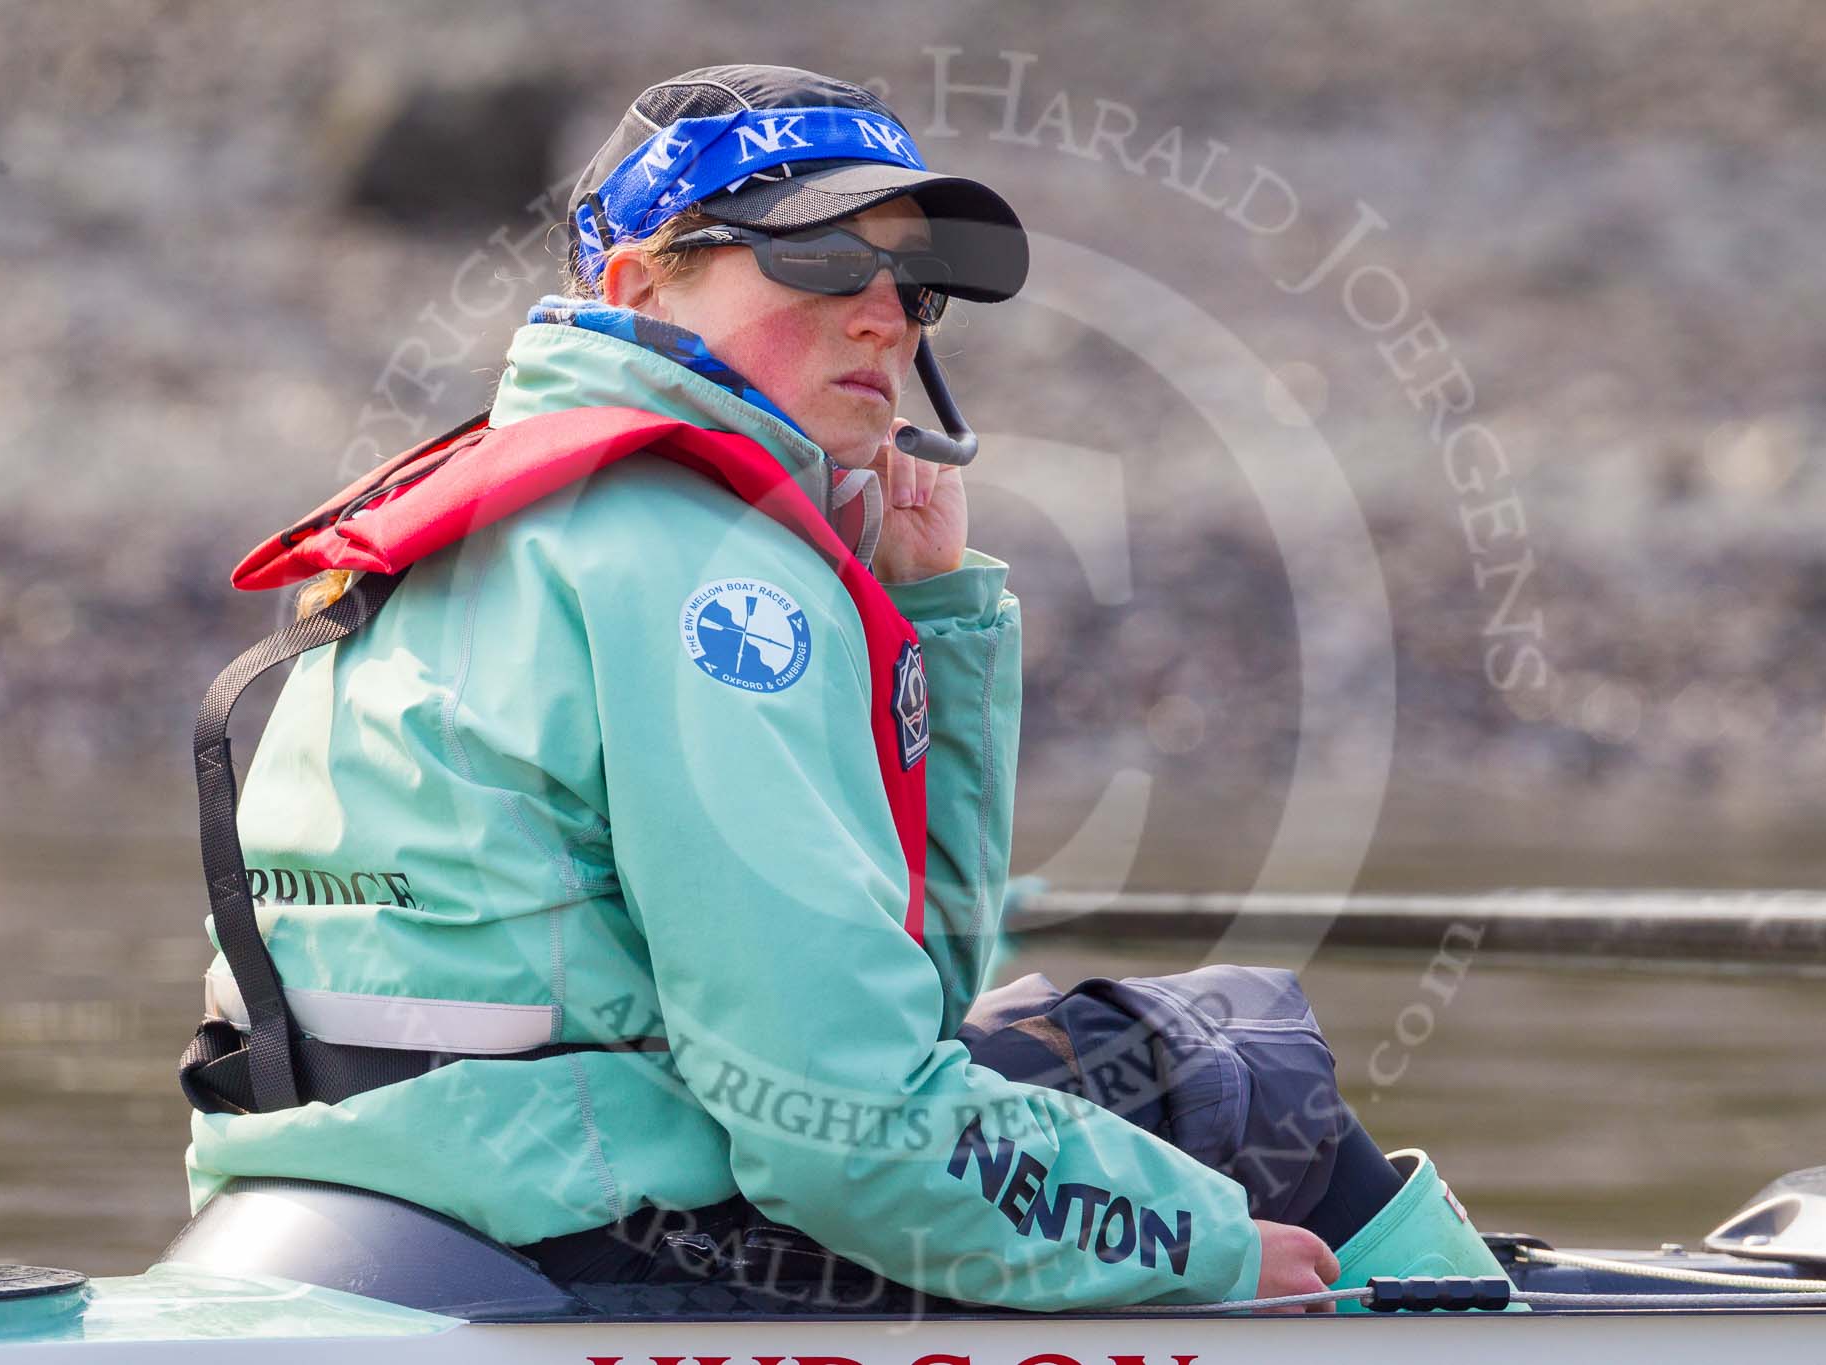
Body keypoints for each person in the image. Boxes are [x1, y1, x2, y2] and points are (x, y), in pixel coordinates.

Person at [180, 63, 1514, 1315]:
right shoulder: (714, 576)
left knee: (1050, 1058)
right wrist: (1212, 1252)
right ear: (642, 287)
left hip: (390, 1183)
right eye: (821, 258)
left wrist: (931, 612)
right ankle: (1463, 1327)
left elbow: (901, 1003)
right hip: (586, 1227)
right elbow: (844, 1130)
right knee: (1240, 1066)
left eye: (911, 283)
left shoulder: (510, 515)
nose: (883, 311)